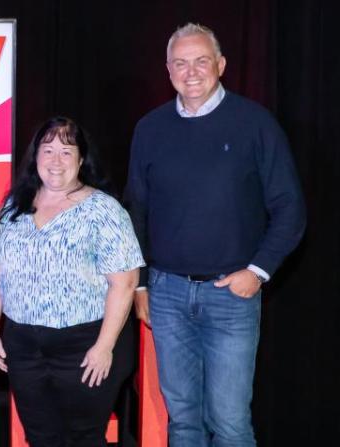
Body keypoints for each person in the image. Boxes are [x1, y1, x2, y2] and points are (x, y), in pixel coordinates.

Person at [125, 23, 306, 445]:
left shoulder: (254, 124)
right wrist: (141, 285)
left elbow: (290, 208)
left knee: (228, 422)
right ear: (167, 70)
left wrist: (257, 271)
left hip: (231, 297)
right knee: (183, 420)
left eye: (201, 61)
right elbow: (136, 211)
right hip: (166, 296)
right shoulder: (149, 129)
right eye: (181, 63)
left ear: (221, 65)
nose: (191, 72)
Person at [0, 117, 143, 445]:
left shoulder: (104, 210)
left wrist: (104, 346)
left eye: (66, 152)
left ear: (81, 160)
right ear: (35, 156)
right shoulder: (15, 207)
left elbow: (124, 284)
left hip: (85, 345)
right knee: (40, 438)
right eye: (48, 150)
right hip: (24, 345)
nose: (56, 161)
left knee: (83, 438)